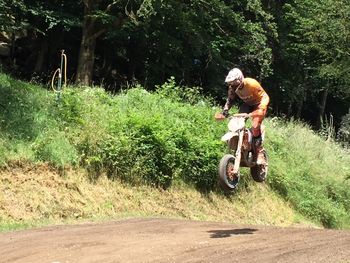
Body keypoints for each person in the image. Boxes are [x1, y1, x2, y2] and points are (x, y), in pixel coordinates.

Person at [215, 68, 270, 165]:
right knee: (237, 123)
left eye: (234, 83)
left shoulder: (251, 83)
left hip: (259, 104)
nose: (232, 86)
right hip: (247, 105)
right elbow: (230, 100)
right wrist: (225, 111)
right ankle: (243, 145)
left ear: (239, 80)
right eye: (230, 84)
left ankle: (260, 152)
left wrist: (261, 108)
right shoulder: (232, 88)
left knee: (255, 126)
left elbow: (265, 97)